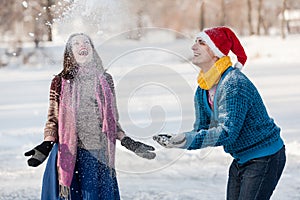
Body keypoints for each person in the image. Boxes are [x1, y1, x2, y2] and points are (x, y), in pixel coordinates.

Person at [153, 26, 286, 200]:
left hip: (264, 156)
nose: (193, 47)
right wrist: (178, 140)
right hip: (241, 158)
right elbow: (202, 128)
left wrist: (187, 139)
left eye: (201, 43)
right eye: (195, 42)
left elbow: (226, 133)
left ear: (216, 52)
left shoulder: (233, 83)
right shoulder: (203, 89)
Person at [24, 33, 156, 200]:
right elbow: (53, 118)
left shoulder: (105, 80)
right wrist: (46, 143)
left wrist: (128, 142)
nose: (82, 45)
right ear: (70, 52)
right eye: (76, 43)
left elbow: (112, 119)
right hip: (71, 154)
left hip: (99, 155)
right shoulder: (60, 81)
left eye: (86, 42)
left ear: (92, 49)